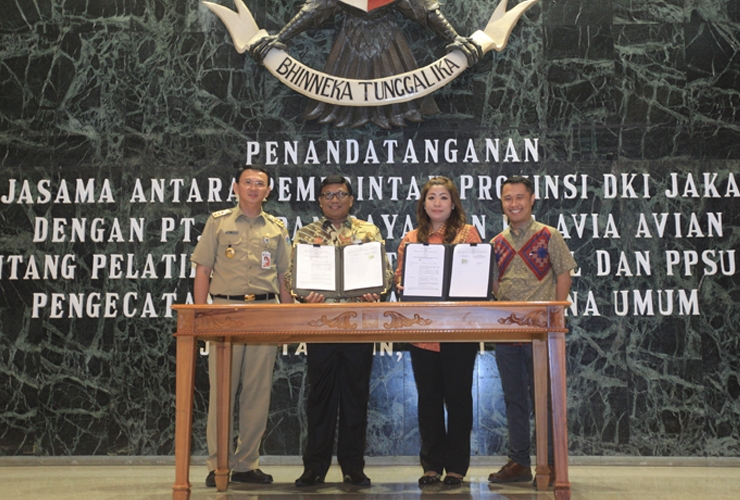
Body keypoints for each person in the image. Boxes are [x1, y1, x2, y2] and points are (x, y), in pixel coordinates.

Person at [285, 174, 393, 487]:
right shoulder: (307, 234)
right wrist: (306, 293)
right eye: (328, 194)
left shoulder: (367, 230)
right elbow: (293, 278)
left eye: (341, 194)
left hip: (357, 326)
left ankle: (353, 467)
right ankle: (314, 468)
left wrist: (376, 291)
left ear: (351, 199)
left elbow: (384, 275)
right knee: (320, 398)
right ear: (319, 200)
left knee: (355, 398)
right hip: (320, 326)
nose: (335, 199)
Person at [191, 166, 294, 488]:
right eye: (248, 182)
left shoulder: (277, 228)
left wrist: (287, 317)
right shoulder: (218, 222)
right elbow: (203, 269)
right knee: (222, 391)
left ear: (268, 190)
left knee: (257, 393)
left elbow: (284, 277)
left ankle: (247, 463)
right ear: (236, 187)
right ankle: (218, 464)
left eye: (260, 184)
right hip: (225, 310)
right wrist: (200, 315)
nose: (253, 188)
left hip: (265, 310)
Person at [249, 0, 482, 128]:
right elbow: (316, 10)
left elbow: (423, 9)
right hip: (350, 42)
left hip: (389, 40)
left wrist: (454, 38)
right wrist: (281, 38)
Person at [487, 176, 577, 487]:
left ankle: (550, 463)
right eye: (508, 198)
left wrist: (555, 311)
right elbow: (495, 284)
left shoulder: (549, 235)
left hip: (543, 333)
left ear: (532, 199)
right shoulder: (496, 243)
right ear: (501, 202)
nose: (514, 203)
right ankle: (520, 461)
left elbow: (564, 273)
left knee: (546, 399)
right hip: (507, 333)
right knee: (515, 399)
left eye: (519, 197)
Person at [394, 176, 481, 486]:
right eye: (432, 198)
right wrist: (402, 285)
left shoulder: (468, 234)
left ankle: (456, 466)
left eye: (444, 197)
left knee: (458, 399)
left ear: (453, 202)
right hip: (422, 332)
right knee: (428, 399)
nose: (437, 203)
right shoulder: (411, 239)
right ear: (423, 203)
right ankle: (431, 465)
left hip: (459, 331)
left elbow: (478, 275)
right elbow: (400, 277)